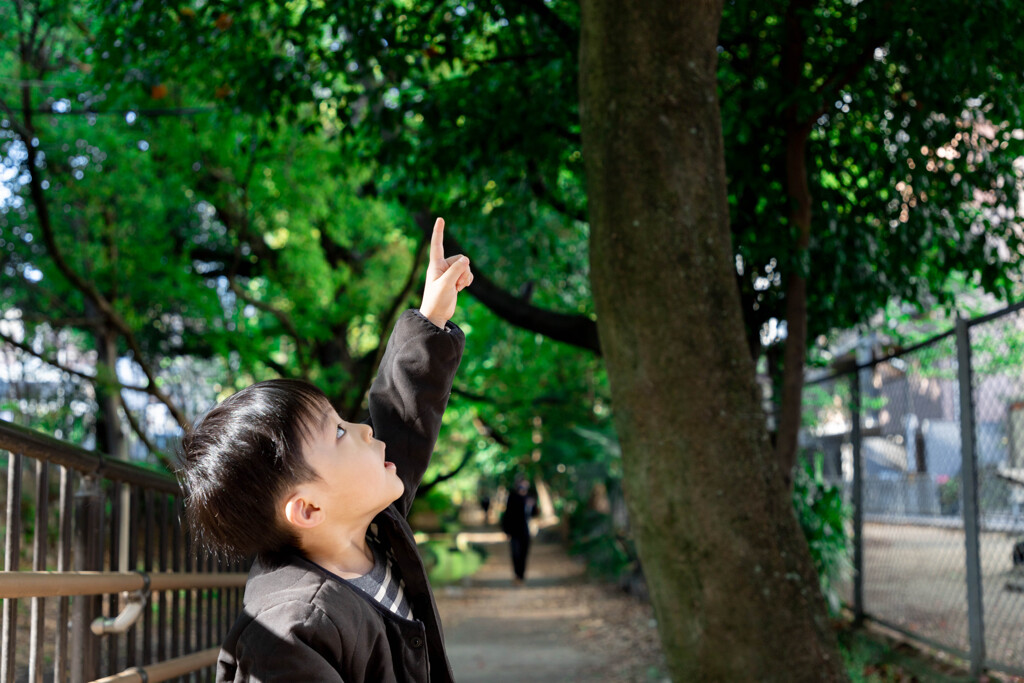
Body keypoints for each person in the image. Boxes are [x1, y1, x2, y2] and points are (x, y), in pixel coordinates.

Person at [179, 217, 473, 683]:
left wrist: (430, 318)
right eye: (337, 432)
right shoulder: (289, 632)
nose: (361, 429)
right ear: (310, 508)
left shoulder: (365, 528)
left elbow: (397, 417)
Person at [501, 477, 536, 584]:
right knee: (515, 553)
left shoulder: (529, 498)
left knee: (524, 554)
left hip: (525, 531)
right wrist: (506, 531)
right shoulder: (512, 497)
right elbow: (507, 515)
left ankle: (521, 575)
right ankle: (517, 575)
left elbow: (534, 514)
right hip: (514, 531)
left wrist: (532, 506)